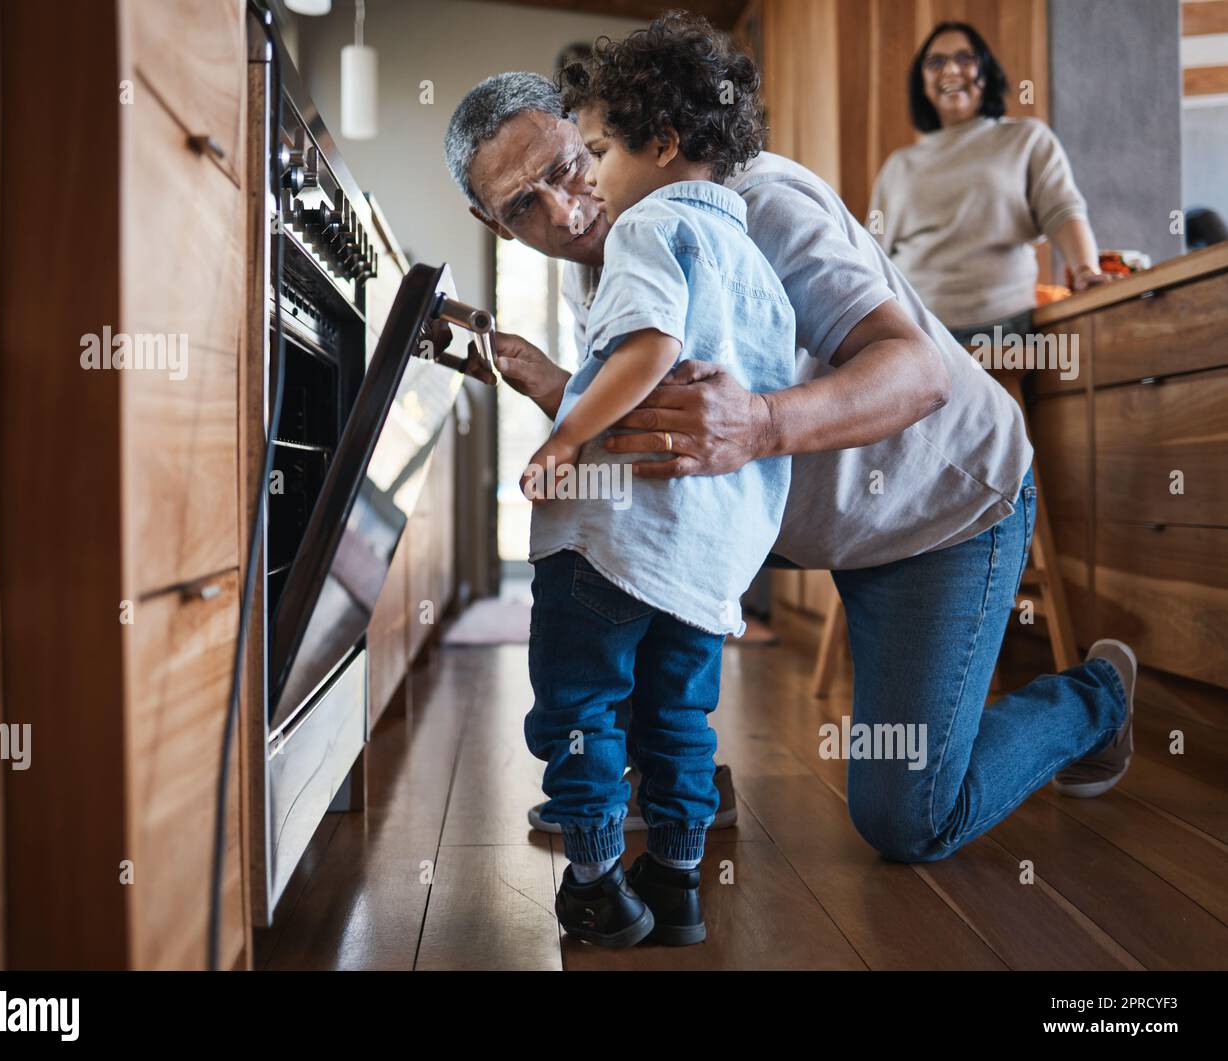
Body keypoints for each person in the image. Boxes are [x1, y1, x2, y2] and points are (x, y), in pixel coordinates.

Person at [440, 18, 1135, 887]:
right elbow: (670, 425)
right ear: (493, 224)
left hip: (939, 507)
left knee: (908, 818)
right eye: (522, 207)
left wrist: (761, 425)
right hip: (814, 515)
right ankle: (678, 780)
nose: (563, 208)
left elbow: (919, 373)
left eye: (569, 165)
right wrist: (550, 384)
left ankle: (1098, 697)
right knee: (632, 569)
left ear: (595, 132)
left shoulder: (757, 201)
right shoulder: (602, 255)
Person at [517, 14, 798, 948]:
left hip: (610, 533)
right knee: (679, 714)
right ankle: (676, 879)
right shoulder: (753, 262)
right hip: (705, 553)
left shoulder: (647, 223)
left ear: (664, 143)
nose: (586, 177)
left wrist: (564, 443)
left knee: (582, 704)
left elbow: (649, 347)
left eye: (596, 149)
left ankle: (595, 878)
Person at [869, 21, 1111, 344]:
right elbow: (873, 255)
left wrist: (1084, 270)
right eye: (935, 62)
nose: (951, 69)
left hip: (1002, 330)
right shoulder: (898, 166)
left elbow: (1062, 211)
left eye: (965, 58)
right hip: (916, 332)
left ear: (987, 72)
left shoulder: (1025, 138)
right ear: (923, 84)